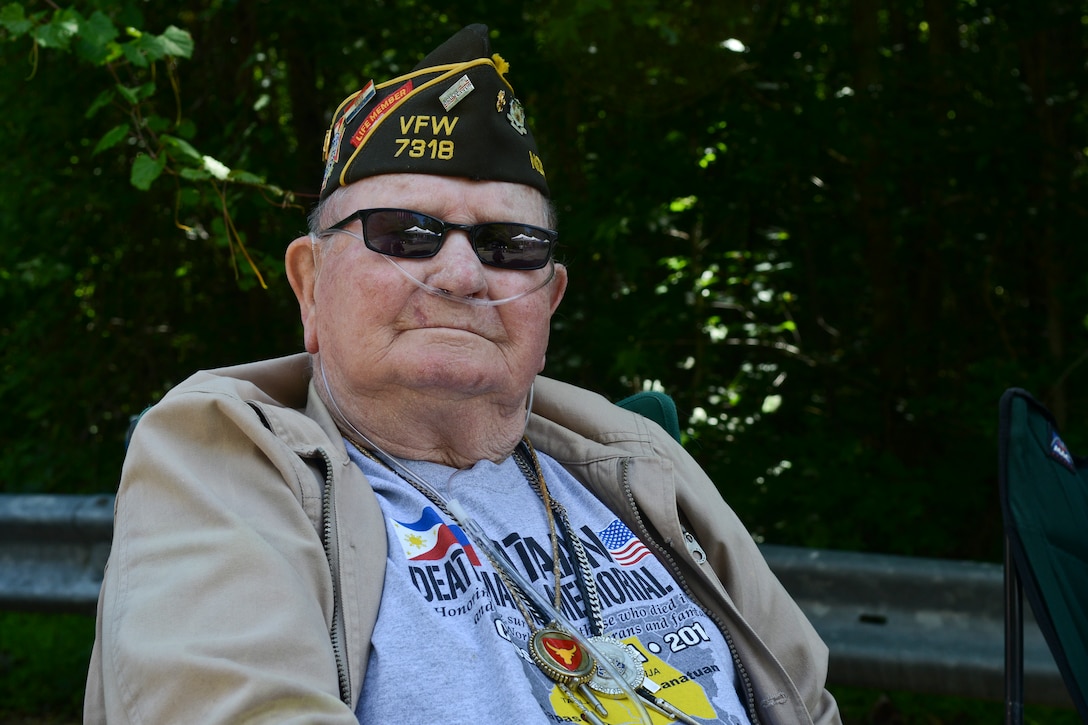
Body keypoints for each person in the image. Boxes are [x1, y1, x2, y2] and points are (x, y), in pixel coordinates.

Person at [84, 24, 840, 725]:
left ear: (549, 300)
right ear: (311, 285)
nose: (460, 272)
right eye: (404, 233)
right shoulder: (219, 458)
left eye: (510, 244)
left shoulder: (642, 463)